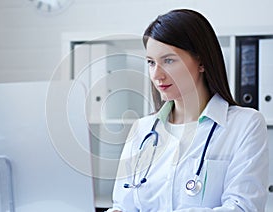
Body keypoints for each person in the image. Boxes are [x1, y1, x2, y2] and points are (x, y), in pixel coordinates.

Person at [107, 9, 269, 211]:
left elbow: (244, 207)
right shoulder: (142, 129)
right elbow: (123, 205)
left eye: (168, 60)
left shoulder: (245, 124)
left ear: (201, 61)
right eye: (151, 62)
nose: (157, 75)